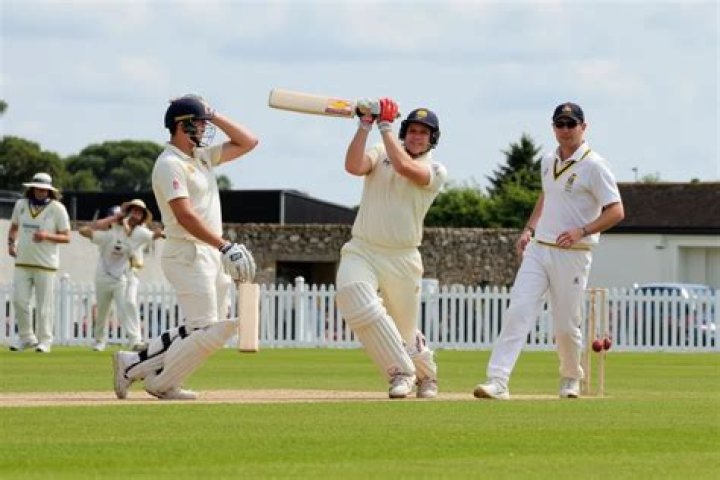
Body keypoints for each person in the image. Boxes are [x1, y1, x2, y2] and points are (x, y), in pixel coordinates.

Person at [473, 102, 625, 400]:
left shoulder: (595, 166)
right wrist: (529, 229)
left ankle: (570, 377)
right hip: (539, 249)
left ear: (583, 127)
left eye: (571, 124)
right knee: (518, 311)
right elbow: (547, 196)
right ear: (553, 127)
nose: (565, 130)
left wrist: (582, 230)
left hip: (573, 252)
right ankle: (498, 380)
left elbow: (616, 211)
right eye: (560, 124)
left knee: (565, 325)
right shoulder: (547, 160)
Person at [112, 94, 258, 400]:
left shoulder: (201, 157)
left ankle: (134, 363)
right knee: (205, 330)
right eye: (200, 123)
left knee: (206, 329)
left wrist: (213, 113)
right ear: (182, 125)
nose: (204, 128)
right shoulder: (169, 164)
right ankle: (157, 381)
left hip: (210, 252)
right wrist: (224, 245)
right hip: (187, 252)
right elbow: (185, 216)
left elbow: (249, 142)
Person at [334, 98, 447, 399]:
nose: (416, 136)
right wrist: (364, 126)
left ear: (432, 138)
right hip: (363, 248)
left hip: (402, 257)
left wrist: (384, 125)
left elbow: (404, 167)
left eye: (423, 132)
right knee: (354, 296)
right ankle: (400, 371)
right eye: (412, 130)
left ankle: (427, 376)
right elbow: (353, 166)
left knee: (405, 331)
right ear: (404, 132)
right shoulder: (380, 150)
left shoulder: (436, 170)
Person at [79, 199, 163, 351]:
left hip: (122, 278)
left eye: (140, 212)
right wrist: (113, 218)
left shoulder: (139, 232)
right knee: (102, 311)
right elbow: (83, 231)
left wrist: (163, 233)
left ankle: (135, 341)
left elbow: (155, 235)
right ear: (127, 213)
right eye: (134, 211)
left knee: (126, 306)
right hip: (103, 276)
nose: (136, 215)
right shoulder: (110, 233)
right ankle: (99, 341)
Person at [7, 172, 71, 353]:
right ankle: (26, 338)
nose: (41, 192)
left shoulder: (57, 208)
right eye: (37, 188)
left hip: (46, 264)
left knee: (44, 306)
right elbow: (14, 227)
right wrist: (11, 244)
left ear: (49, 191)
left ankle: (45, 340)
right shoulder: (21, 205)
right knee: (19, 301)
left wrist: (46, 236)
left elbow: (67, 237)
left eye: (44, 189)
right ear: (32, 188)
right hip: (22, 261)